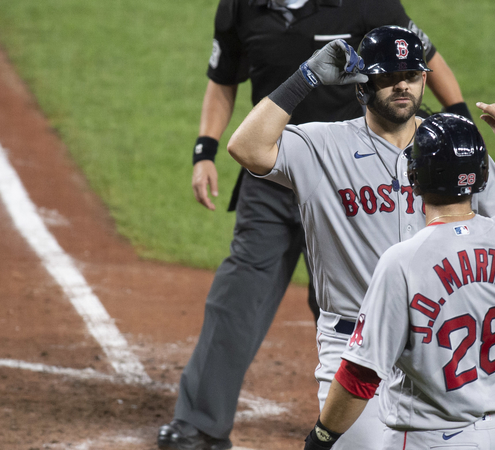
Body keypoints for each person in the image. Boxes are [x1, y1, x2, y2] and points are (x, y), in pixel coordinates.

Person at [227, 26, 495, 449]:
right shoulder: (323, 145)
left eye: (412, 75)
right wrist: (306, 78)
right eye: (388, 76)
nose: (402, 85)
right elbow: (246, 147)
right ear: (362, 84)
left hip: (434, 348)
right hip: (353, 344)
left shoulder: (448, 148)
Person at [159, 1, 473, 449]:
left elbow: (425, 61)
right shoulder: (241, 6)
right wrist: (204, 150)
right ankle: (200, 423)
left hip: (352, 174)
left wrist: (459, 130)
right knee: (238, 295)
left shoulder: (369, 3)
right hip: (274, 170)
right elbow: (223, 79)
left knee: (354, 299)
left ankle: (360, 416)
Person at [299, 108, 495, 450]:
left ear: (413, 177)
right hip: (492, 436)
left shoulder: (403, 261)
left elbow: (360, 376)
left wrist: (321, 438)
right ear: (482, 176)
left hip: (424, 441)